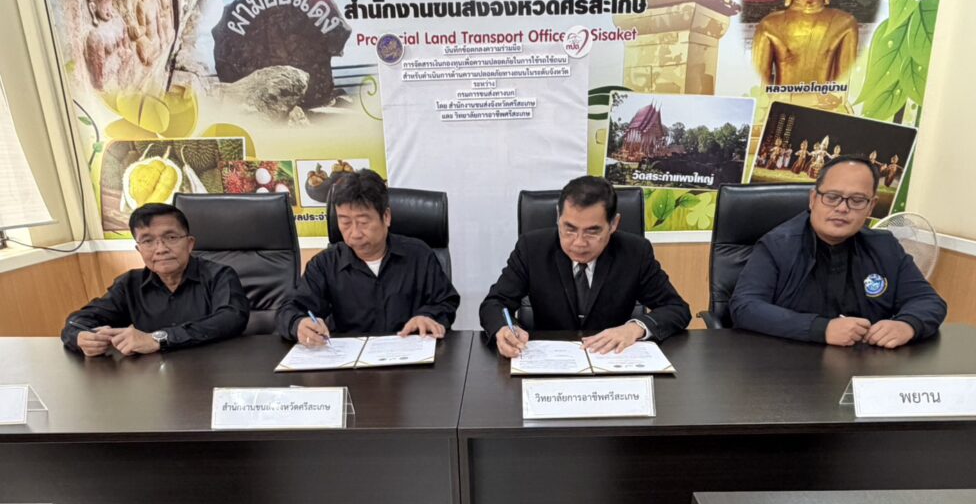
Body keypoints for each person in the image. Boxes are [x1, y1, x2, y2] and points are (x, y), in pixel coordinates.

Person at [730, 155, 947, 348]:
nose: (842, 208)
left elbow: (928, 301)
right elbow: (745, 307)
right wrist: (821, 329)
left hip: (864, 367)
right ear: (813, 199)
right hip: (788, 365)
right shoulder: (778, 245)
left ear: (871, 207)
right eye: (832, 197)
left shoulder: (885, 247)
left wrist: (908, 324)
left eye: (857, 200)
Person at [480, 175, 691, 358]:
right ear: (558, 217)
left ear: (613, 224)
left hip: (611, 362)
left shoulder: (635, 252)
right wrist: (503, 329)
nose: (579, 243)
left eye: (592, 231)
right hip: (550, 362)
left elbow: (676, 308)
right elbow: (495, 303)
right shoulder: (532, 248)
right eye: (569, 229)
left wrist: (635, 328)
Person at [276, 169, 459, 344]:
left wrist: (428, 316)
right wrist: (298, 324)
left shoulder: (418, 255)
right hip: (348, 361)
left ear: (386, 217)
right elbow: (289, 309)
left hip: (409, 357)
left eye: (363, 222)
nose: (355, 233)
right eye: (345, 222)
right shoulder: (325, 264)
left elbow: (445, 301)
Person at [61, 203, 249, 356]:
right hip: (153, 378)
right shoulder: (129, 284)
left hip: (212, 370)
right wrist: (81, 337)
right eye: (148, 241)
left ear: (189, 243)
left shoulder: (219, 275)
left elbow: (232, 319)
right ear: (139, 249)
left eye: (171, 237)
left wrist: (159, 338)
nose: (161, 249)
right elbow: (77, 322)